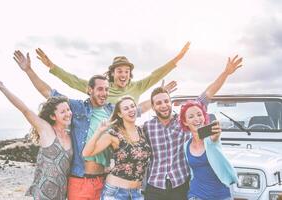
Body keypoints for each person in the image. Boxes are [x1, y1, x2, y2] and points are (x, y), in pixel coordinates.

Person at [13, 50, 113, 200]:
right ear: (90, 90)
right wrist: (28, 70)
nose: (104, 93)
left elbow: (136, 110)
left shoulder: (112, 111)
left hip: (103, 181)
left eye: (106, 89)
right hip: (79, 179)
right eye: (99, 89)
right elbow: (48, 92)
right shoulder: (77, 108)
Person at [143, 55, 243, 200]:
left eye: (166, 101)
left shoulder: (185, 118)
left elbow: (208, 93)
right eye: (158, 103)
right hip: (155, 186)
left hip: (180, 184)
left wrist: (226, 73)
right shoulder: (147, 127)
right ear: (152, 107)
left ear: (171, 102)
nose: (163, 105)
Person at [0, 76, 73, 200]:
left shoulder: (71, 135)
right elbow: (25, 110)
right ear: (53, 116)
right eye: (63, 112)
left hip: (62, 194)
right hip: (43, 194)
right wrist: (3, 88)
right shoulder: (47, 130)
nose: (68, 114)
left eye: (68, 109)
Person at [35, 42, 190, 104]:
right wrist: (53, 67)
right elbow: (74, 81)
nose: (123, 74)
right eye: (119, 71)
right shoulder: (101, 87)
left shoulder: (137, 87)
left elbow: (156, 75)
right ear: (112, 73)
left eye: (127, 71)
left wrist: (177, 58)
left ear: (130, 74)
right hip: (102, 135)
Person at [83, 96, 151, 200]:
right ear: (119, 114)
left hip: (137, 193)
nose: (131, 110)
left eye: (132, 106)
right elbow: (86, 153)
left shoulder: (142, 131)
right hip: (116, 192)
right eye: (126, 108)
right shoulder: (114, 134)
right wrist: (99, 131)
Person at [180, 101, 237, 200]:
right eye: (191, 116)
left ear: (204, 117)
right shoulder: (186, 146)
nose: (197, 119)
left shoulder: (211, 139)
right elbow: (192, 172)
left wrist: (216, 136)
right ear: (185, 122)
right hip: (196, 194)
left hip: (221, 195)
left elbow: (215, 140)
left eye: (199, 114)